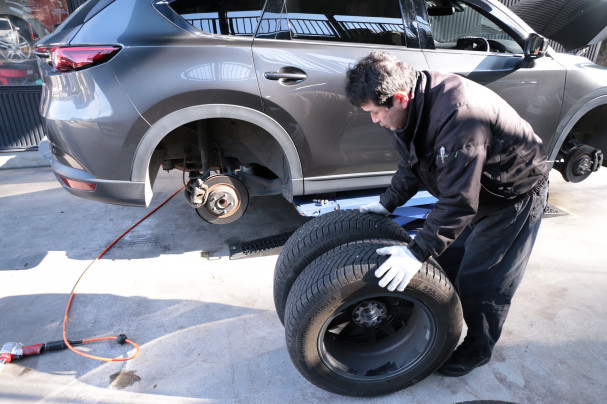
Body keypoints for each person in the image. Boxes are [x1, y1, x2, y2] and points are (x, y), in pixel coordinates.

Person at [345, 51, 549, 377]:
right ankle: (438, 326)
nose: (374, 120)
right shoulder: (411, 106)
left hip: (512, 196)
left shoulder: (459, 116)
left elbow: (458, 202)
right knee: (447, 265)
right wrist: (388, 203)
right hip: (473, 189)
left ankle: (477, 349)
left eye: (375, 112)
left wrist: (416, 251)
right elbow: (412, 163)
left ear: (400, 98)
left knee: (482, 283)